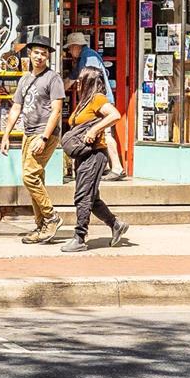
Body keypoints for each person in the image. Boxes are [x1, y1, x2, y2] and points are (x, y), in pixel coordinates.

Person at [0, 35, 65, 244]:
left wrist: (44, 138)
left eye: (44, 54)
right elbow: (16, 107)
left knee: (30, 176)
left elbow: (56, 110)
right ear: (29, 54)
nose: (39, 57)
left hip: (44, 134)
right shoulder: (25, 79)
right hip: (28, 133)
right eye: (36, 52)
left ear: (48, 57)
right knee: (36, 179)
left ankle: (52, 217)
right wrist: (6, 135)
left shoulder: (53, 78)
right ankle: (41, 226)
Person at [60, 66, 132, 253]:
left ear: (89, 81)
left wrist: (94, 130)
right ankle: (116, 224)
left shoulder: (97, 99)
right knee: (92, 197)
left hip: (94, 154)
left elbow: (115, 115)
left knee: (83, 196)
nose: (77, 83)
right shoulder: (84, 101)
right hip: (83, 155)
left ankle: (79, 237)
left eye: (81, 79)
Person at [63, 32, 125, 180]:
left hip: (100, 101)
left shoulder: (88, 57)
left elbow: (90, 78)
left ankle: (117, 168)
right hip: (95, 100)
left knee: (106, 133)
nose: (70, 52)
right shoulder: (86, 56)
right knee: (101, 134)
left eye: (70, 49)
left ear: (76, 46)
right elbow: (73, 78)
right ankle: (105, 167)